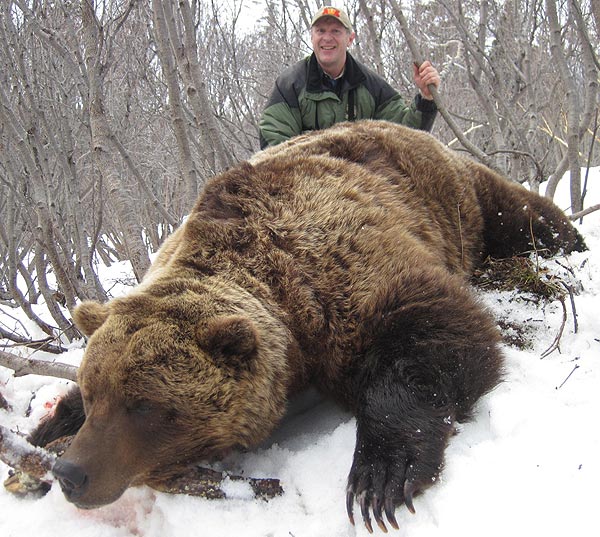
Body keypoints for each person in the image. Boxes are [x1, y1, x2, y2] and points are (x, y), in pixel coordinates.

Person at [259, 6, 441, 149]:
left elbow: (408, 136)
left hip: (359, 187)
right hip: (306, 184)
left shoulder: (371, 86)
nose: (327, 38)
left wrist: (427, 98)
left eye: (336, 31)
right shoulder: (290, 84)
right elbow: (274, 143)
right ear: (312, 36)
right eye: (321, 31)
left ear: (350, 38)